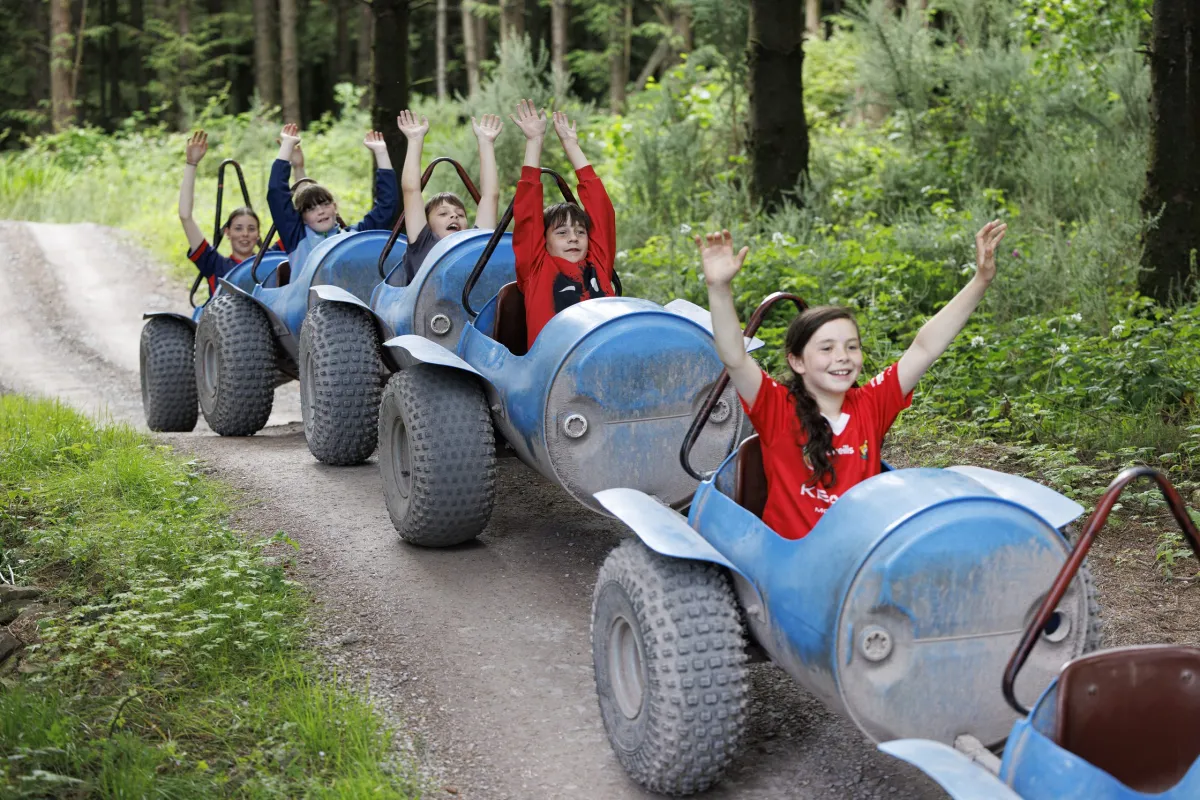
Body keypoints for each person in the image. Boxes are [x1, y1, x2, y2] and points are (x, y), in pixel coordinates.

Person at [697, 221, 1008, 540]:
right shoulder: (777, 407)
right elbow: (735, 356)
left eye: (851, 346)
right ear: (797, 361)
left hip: (857, 560)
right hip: (789, 562)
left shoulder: (872, 404)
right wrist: (719, 288)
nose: (842, 356)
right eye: (827, 348)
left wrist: (980, 280)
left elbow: (925, 347)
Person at [510, 99, 617, 349]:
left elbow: (602, 211)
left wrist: (571, 144)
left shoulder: (597, 262)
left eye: (580, 232)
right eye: (562, 232)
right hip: (554, 371)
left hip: (606, 359)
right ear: (543, 240)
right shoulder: (536, 267)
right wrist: (534, 141)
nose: (573, 238)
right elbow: (527, 215)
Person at [178, 130, 300, 293]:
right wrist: (191, 164)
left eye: (251, 229)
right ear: (227, 232)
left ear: (258, 234)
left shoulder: (273, 260)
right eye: (238, 228)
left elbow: (301, 219)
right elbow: (185, 216)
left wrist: (298, 167)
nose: (245, 234)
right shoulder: (215, 264)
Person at [268, 123, 398, 273]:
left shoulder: (354, 237)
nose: (320, 212)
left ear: (335, 207)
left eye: (325, 204)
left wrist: (381, 152)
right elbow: (276, 192)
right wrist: (287, 145)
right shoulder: (297, 237)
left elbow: (387, 205)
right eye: (311, 209)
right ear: (302, 218)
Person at [394, 109, 503, 285]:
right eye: (443, 214)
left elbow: (491, 196)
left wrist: (486, 143)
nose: (454, 216)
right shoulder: (424, 243)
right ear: (427, 225)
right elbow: (411, 190)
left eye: (460, 214)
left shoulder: (474, 243)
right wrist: (415, 141)